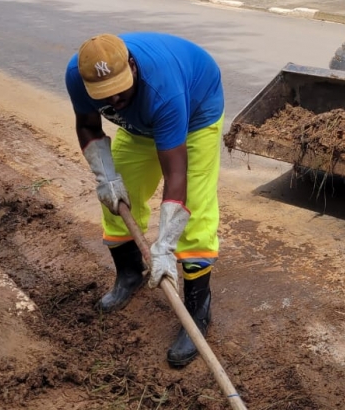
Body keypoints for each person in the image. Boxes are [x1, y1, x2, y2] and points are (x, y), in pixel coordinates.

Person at [64, 32, 225, 368]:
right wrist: (105, 176)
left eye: (121, 90)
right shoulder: (78, 75)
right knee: (118, 198)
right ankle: (129, 274)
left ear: (133, 67)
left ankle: (197, 312)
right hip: (139, 129)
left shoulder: (163, 88)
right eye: (106, 96)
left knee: (193, 216)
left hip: (194, 114)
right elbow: (88, 124)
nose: (116, 100)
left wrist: (164, 246)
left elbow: (176, 174)